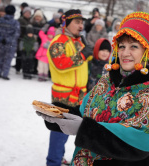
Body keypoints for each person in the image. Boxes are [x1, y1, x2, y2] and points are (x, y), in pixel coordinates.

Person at [38, 11, 149, 166]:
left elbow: (140, 143)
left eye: (134, 46)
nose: (125, 53)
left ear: (148, 51)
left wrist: (85, 130)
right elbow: (87, 111)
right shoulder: (108, 80)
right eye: (121, 46)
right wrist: (61, 115)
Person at [43, 9, 92, 166]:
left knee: (73, 130)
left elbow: (83, 63)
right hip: (63, 94)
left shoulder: (77, 41)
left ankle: (59, 157)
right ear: (65, 24)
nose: (81, 25)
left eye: (82, 22)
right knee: (59, 131)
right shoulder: (58, 41)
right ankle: (53, 162)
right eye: (77, 22)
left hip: (80, 94)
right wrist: (83, 54)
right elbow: (61, 63)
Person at [0, 5, 20, 80]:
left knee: (0, 58)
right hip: (11, 44)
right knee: (8, 59)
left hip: (1, 43)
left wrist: (1, 39)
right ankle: (5, 74)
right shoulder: (15, 23)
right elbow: (16, 34)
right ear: (13, 13)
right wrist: (8, 40)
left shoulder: (0, 20)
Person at [16, 6, 32, 74]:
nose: (27, 14)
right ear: (23, 13)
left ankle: (23, 68)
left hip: (28, 41)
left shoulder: (30, 21)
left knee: (25, 55)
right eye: (26, 13)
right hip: (21, 39)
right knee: (20, 54)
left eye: (29, 13)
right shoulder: (20, 20)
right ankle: (18, 68)